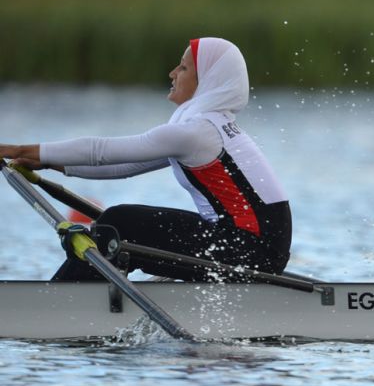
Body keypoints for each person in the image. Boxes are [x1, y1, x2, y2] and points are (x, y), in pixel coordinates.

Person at [0, 37, 291, 282]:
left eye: (184, 67)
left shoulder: (198, 132)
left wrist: (19, 150)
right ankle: (85, 298)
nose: (172, 73)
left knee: (118, 223)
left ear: (207, 82)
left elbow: (101, 150)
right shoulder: (211, 127)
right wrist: (51, 163)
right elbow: (124, 166)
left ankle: (62, 307)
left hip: (248, 250)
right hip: (253, 248)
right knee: (118, 223)